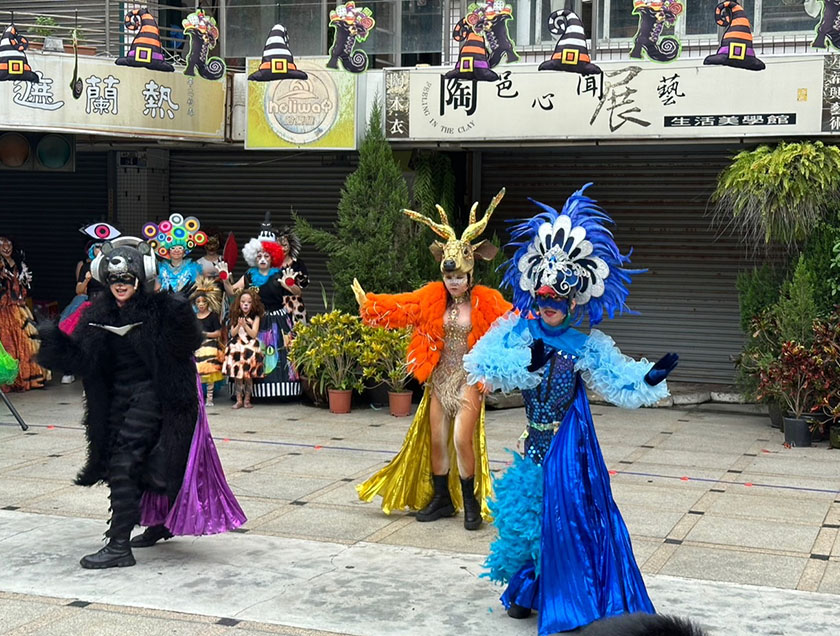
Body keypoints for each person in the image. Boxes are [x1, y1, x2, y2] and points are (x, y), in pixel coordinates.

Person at [462, 185, 679, 634]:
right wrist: (528, 362)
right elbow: (483, 363)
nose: (549, 307)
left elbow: (618, 378)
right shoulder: (517, 332)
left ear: (573, 301)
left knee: (567, 523)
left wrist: (650, 378)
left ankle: (569, 594)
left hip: (569, 449)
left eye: (557, 301)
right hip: (533, 445)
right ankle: (525, 590)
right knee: (525, 522)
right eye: (543, 299)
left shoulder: (584, 345)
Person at [38, 236, 245, 569]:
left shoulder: (160, 308)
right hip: (117, 399)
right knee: (147, 465)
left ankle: (118, 545)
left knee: (124, 463)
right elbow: (81, 360)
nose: (121, 285)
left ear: (141, 277)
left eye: (127, 279)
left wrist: (179, 315)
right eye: (115, 279)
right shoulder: (97, 312)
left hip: (155, 395)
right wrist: (52, 339)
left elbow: (185, 345)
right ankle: (160, 522)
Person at [351, 190, 510, 531]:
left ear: (470, 274)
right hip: (439, 378)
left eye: (459, 277)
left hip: (468, 378)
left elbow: (516, 325)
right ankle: (442, 499)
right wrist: (371, 305)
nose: (454, 283)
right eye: (449, 277)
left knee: (460, 439)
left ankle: (469, 501)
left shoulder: (487, 301)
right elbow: (403, 306)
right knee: (436, 438)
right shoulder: (432, 296)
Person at [218, 215, 298, 399]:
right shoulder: (249, 275)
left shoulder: (280, 274)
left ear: (273, 257)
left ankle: (280, 391)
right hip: (254, 319)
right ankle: (248, 394)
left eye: (267, 255)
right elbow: (232, 292)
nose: (263, 259)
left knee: (276, 354)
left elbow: (296, 292)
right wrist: (224, 279)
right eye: (259, 256)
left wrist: (290, 283)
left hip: (277, 320)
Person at [0, 235, 46, 391]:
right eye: (2, 244)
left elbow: (25, 286)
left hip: (19, 307)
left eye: (9, 244)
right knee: (8, 344)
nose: (6, 247)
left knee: (27, 343)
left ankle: (26, 379)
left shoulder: (19, 264)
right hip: (3, 309)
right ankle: (9, 380)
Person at [222, 288, 265, 409]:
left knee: (248, 376)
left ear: (253, 304)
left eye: (249, 302)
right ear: (238, 303)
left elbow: (253, 334)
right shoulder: (236, 316)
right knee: (238, 376)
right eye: (243, 301)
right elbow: (233, 332)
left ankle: (247, 399)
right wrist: (239, 325)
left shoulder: (256, 317)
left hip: (250, 348)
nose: (245, 304)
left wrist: (246, 325)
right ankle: (238, 399)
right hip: (237, 347)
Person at [143, 213, 205, 293]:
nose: (176, 250)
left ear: (184, 251)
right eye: (173, 248)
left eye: (180, 248)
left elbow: (198, 291)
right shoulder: (161, 269)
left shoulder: (192, 268)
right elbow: (156, 290)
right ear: (168, 251)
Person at [191, 276, 225, 408]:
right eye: (198, 302)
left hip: (210, 345)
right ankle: (198, 396)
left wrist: (206, 334)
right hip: (197, 345)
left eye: (203, 302)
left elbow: (218, 332)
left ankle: (209, 397)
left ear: (207, 303)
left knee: (209, 363)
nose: (201, 304)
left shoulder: (213, 316)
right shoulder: (193, 317)